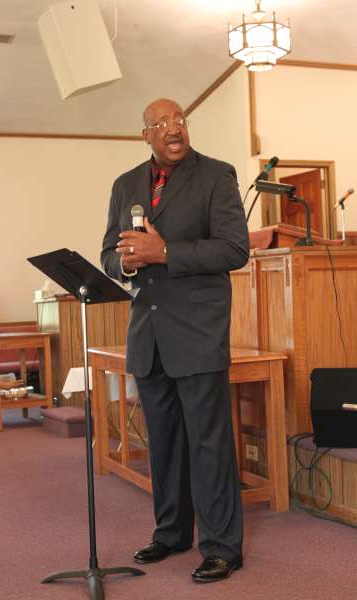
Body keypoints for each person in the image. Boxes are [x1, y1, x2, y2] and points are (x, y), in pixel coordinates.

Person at [101, 98, 249, 583]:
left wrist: (164, 251)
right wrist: (125, 262)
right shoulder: (125, 184)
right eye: (161, 123)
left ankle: (222, 547)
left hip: (198, 333)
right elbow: (108, 254)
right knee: (163, 442)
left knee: (208, 444)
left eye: (180, 120)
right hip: (148, 334)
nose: (173, 128)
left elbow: (234, 249)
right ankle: (171, 532)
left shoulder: (216, 176)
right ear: (145, 134)